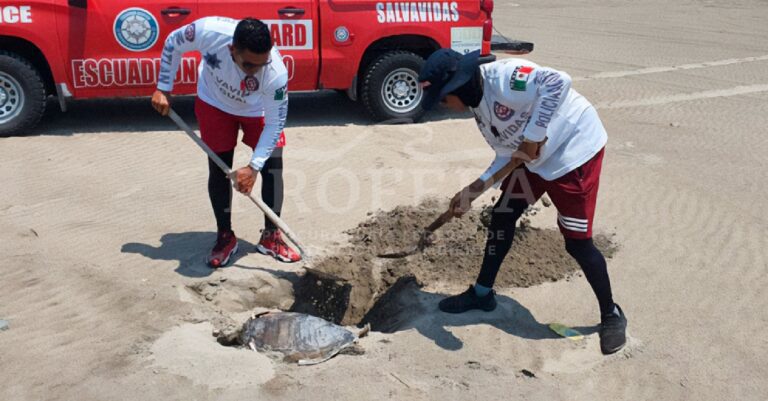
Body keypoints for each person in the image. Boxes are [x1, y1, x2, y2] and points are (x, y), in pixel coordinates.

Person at [418, 49, 627, 354]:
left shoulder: (507, 78)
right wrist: (473, 189)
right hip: (532, 161)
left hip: (573, 153)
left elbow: (557, 81)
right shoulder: (479, 109)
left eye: (442, 98)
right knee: (502, 215)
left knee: (577, 242)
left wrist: (533, 134)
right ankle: (482, 294)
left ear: (458, 87)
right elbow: (507, 155)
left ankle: (611, 314)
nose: (442, 105)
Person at [151, 17, 301, 267]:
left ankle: (271, 235)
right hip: (214, 102)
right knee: (219, 166)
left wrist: (253, 167)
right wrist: (164, 87)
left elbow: (275, 124)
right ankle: (225, 236)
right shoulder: (209, 31)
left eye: (261, 64)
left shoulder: (276, 72)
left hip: (258, 111)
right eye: (249, 64)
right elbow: (172, 42)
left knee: (273, 165)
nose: (256, 70)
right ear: (232, 49)